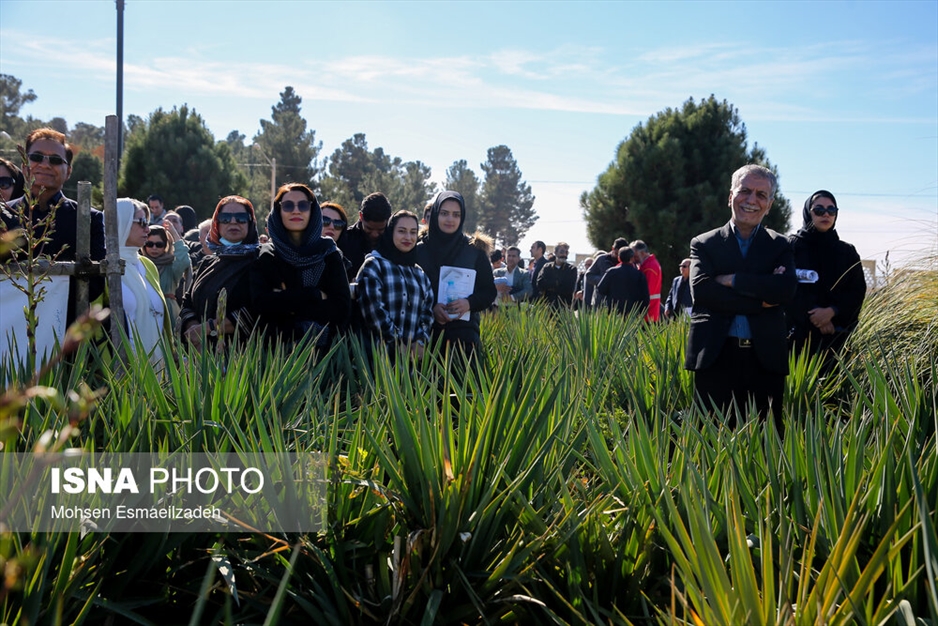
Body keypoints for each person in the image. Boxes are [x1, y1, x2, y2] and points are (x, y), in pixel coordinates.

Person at [685, 164, 796, 429]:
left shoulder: (780, 245)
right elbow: (702, 291)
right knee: (708, 443)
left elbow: (785, 290)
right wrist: (760, 298)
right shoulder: (704, 243)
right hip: (715, 356)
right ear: (730, 196)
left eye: (761, 195)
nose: (751, 200)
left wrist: (732, 280)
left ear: (769, 205)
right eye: (745, 191)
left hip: (765, 360)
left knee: (766, 445)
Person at [0, 128, 106, 323]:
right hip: (7, 334)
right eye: (37, 157)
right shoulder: (3, 215)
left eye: (56, 160)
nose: (45, 164)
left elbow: (95, 284)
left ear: (69, 172)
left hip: (64, 334)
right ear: (24, 166)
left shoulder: (89, 219)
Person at [249, 184, 350, 346]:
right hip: (275, 353)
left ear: (313, 211)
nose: (296, 211)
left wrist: (284, 301)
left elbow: (341, 309)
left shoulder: (329, 253)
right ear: (278, 211)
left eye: (303, 205)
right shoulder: (266, 255)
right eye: (288, 205)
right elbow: (261, 307)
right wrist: (314, 295)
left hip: (323, 353)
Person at [416, 190, 496, 360]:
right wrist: (431, 309)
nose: (450, 219)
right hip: (425, 337)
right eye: (444, 213)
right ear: (436, 213)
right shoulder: (418, 250)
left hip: (464, 340)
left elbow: (489, 291)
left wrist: (469, 303)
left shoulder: (475, 251)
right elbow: (408, 293)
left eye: (456, 214)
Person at [786, 190, 866, 359]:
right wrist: (816, 316)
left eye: (831, 210)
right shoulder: (791, 247)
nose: (826, 215)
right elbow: (785, 287)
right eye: (819, 210)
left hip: (835, 340)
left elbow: (856, 291)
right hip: (795, 338)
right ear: (809, 212)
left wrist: (832, 312)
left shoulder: (847, 252)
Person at [179, 196, 260, 349]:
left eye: (241, 218)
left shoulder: (261, 262)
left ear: (251, 222)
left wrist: (208, 328)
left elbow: (258, 311)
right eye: (225, 218)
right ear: (216, 224)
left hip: (241, 359)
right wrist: (194, 329)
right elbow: (187, 302)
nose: (233, 222)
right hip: (201, 357)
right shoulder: (207, 263)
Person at [356, 210, 434, 358]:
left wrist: (420, 340)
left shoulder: (420, 274)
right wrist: (396, 341)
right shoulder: (375, 265)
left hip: (412, 363)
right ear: (390, 232)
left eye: (413, 232)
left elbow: (427, 313)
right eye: (402, 231)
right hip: (378, 358)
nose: (408, 237)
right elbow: (373, 308)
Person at [116, 198, 170, 366]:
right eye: (141, 222)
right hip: (121, 367)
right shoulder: (104, 267)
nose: (147, 228)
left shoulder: (147, 265)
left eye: (147, 222)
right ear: (121, 222)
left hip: (157, 367)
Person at [141, 223, 191, 322]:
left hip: (168, 312)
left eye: (159, 245)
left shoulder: (171, 265)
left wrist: (174, 234)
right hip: (145, 310)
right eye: (150, 244)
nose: (154, 248)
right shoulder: (140, 264)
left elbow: (184, 260)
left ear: (165, 245)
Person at [339, 192, 392, 277]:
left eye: (380, 230)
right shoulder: (345, 240)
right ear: (361, 216)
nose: (374, 234)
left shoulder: (395, 241)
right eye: (369, 229)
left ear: (390, 219)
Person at [595, 247, 649, 317]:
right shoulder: (639, 275)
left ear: (619, 258)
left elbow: (601, 289)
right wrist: (641, 313)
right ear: (632, 258)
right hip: (631, 314)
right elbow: (645, 297)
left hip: (613, 313)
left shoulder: (611, 272)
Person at [585, 237, 629, 308]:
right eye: (616, 253)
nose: (618, 256)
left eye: (620, 254)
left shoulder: (626, 263)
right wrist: (604, 280)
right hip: (600, 303)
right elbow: (589, 275)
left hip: (619, 304)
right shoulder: (601, 259)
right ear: (612, 248)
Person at [536, 242, 577, 309]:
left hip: (563, 307)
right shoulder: (547, 267)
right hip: (547, 306)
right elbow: (540, 283)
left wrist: (549, 285)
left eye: (566, 252)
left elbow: (569, 288)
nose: (564, 255)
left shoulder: (571, 269)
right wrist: (558, 283)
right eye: (562, 252)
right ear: (555, 252)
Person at [630, 240, 662, 322]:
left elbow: (647, 291)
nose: (633, 258)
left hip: (648, 312)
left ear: (642, 253)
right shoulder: (647, 265)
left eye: (635, 255)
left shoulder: (650, 267)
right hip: (648, 311)